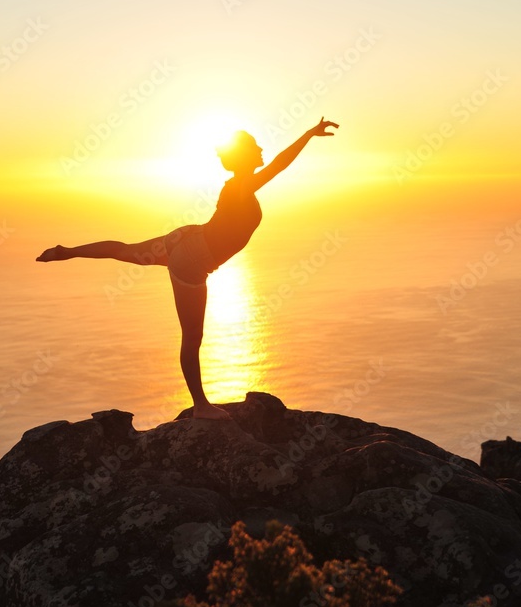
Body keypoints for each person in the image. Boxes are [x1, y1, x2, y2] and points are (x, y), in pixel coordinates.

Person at [36, 117, 339, 419]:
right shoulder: (242, 185)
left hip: (184, 238)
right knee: (192, 336)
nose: (261, 149)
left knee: (125, 251)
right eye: (255, 146)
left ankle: (67, 252)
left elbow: (272, 170)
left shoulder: (238, 185)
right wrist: (309, 134)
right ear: (245, 156)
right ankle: (201, 407)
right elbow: (279, 165)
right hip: (192, 260)